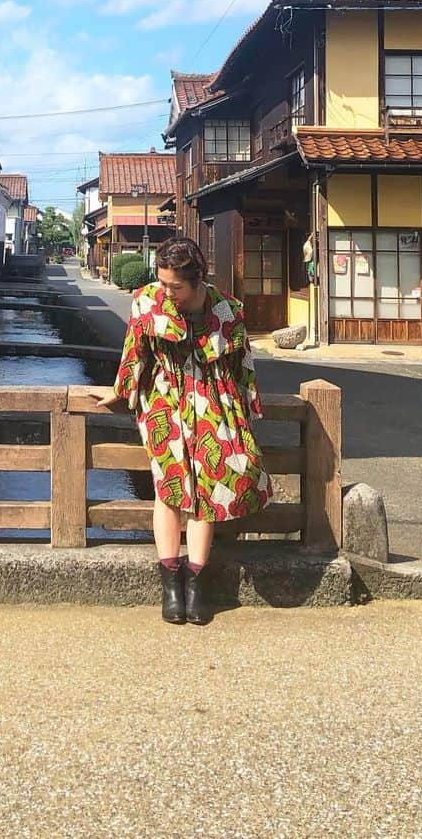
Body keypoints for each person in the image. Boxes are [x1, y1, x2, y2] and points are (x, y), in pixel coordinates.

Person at [92, 236, 272, 625]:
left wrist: (249, 408)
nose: (167, 291)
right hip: (165, 398)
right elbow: (133, 353)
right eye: (163, 282)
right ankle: (171, 586)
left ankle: (196, 583)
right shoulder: (147, 301)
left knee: (209, 486)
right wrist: (119, 391)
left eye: (175, 285)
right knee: (170, 487)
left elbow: (244, 364)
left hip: (214, 397)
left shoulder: (226, 310)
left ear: (196, 280)